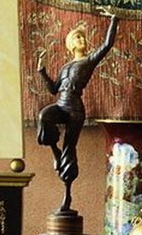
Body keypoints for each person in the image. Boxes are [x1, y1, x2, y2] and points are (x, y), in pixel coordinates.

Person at [36, 14, 118, 209]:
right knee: (44, 116)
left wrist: (114, 20)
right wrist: (42, 71)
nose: (82, 39)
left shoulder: (89, 61)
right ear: (70, 45)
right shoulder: (66, 66)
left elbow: (107, 44)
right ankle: (55, 151)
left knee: (70, 149)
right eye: (77, 37)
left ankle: (67, 196)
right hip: (61, 104)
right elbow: (53, 89)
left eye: (82, 37)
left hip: (75, 109)